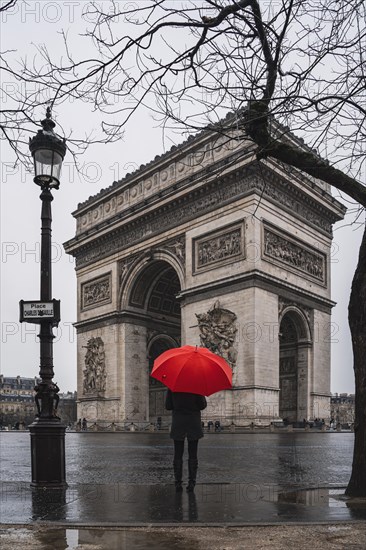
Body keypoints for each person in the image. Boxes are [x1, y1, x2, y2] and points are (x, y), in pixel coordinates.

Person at [165, 389, 207, 493]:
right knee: (193, 455)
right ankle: (192, 483)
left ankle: (178, 483)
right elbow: (202, 405)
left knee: (177, 455)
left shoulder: (172, 388)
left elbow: (168, 406)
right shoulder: (196, 386)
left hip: (178, 423)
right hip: (193, 423)